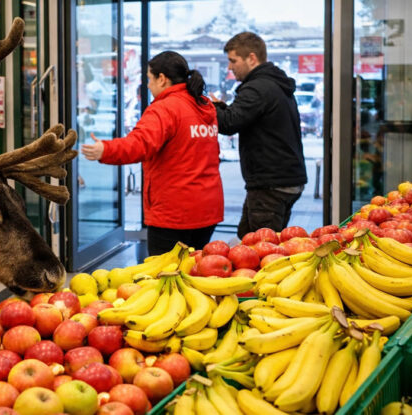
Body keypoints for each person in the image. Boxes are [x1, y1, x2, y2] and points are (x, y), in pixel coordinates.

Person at [81, 51, 223, 255]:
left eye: (149, 79)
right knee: (194, 272)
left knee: (165, 279)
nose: (147, 85)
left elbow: (140, 144)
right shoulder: (203, 106)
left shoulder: (165, 109)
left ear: (162, 79)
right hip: (207, 209)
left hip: (174, 212)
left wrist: (106, 150)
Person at [213, 32, 307, 238]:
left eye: (233, 61)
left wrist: (210, 107)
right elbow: (241, 115)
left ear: (252, 58)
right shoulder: (274, 84)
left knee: (261, 252)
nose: (230, 68)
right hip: (284, 180)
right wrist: (221, 107)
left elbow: (229, 123)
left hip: (271, 185)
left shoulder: (257, 87)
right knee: (247, 237)